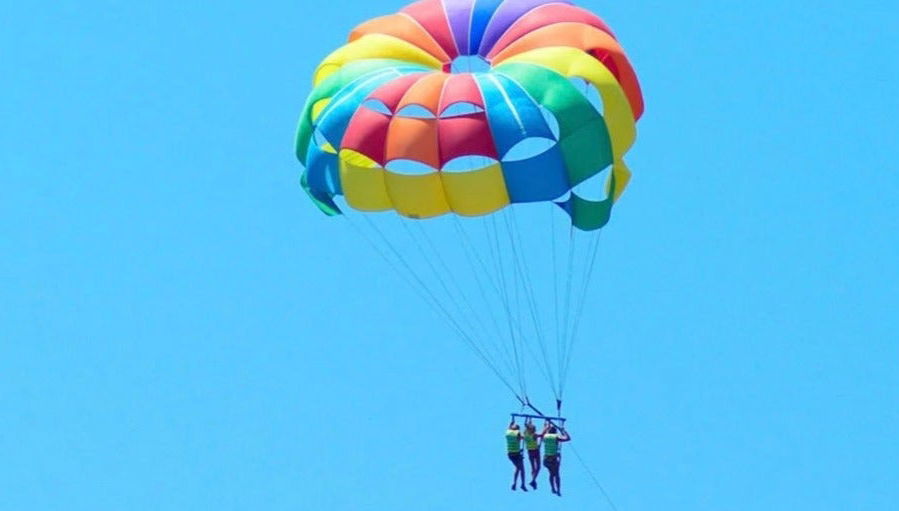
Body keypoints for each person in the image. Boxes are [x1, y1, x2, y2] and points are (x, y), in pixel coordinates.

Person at [541, 423, 571, 496]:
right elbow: (567, 438)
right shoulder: (556, 437)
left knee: (551, 474)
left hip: (546, 459)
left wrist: (546, 427)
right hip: (553, 459)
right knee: (556, 475)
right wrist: (563, 431)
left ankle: (553, 488)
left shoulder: (545, 437)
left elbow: (542, 434)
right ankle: (558, 489)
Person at [505, 420, 528, 491]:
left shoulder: (508, 432)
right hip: (516, 454)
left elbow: (509, 428)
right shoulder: (517, 433)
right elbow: (523, 438)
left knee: (518, 468)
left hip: (511, 454)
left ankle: (515, 483)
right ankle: (522, 484)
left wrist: (511, 422)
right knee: (522, 469)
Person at [523, 420, 541, 489]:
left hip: (530, 451)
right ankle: (533, 480)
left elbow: (527, 426)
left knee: (533, 467)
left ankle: (533, 480)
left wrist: (529, 421)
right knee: (538, 467)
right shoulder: (534, 435)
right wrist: (546, 427)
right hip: (535, 451)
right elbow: (542, 434)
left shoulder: (525, 433)